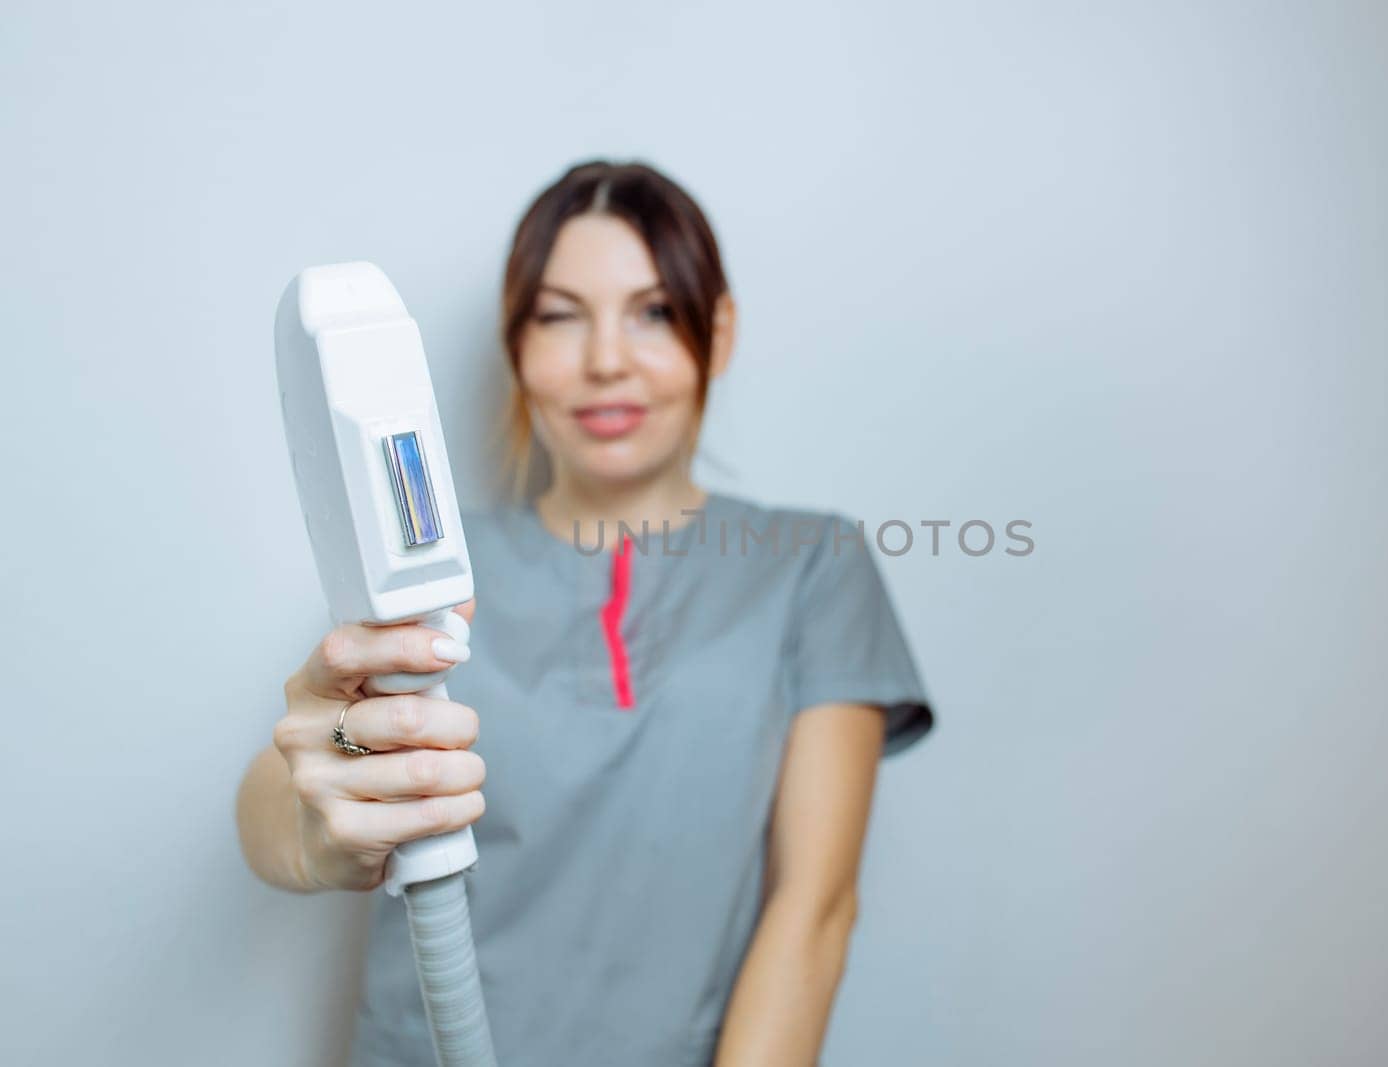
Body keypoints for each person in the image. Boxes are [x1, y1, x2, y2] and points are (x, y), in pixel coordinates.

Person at [235, 159, 935, 1066]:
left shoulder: (811, 566)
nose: (607, 359)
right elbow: (281, 794)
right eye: (560, 316)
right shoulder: (427, 572)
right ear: (516, 347)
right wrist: (312, 828)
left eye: (651, 312)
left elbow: (815, 912)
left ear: (715, 334)